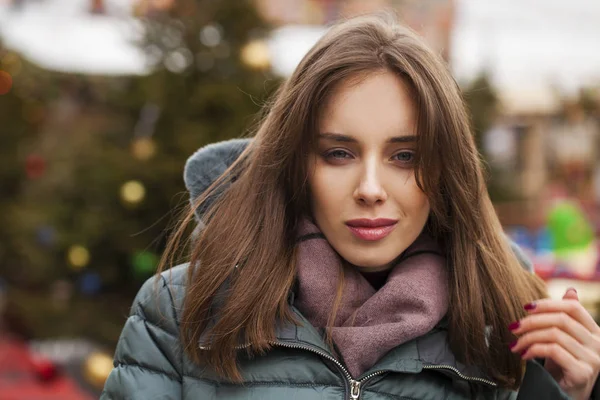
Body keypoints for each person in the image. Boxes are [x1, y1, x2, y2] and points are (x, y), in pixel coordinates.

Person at [100, 13, 600, 400]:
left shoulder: (498, 329)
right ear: (297, 163)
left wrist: (562, 393)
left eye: (405, 156)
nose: (370, 187)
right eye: (339, 153)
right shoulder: (181, 310)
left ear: (447, 170)